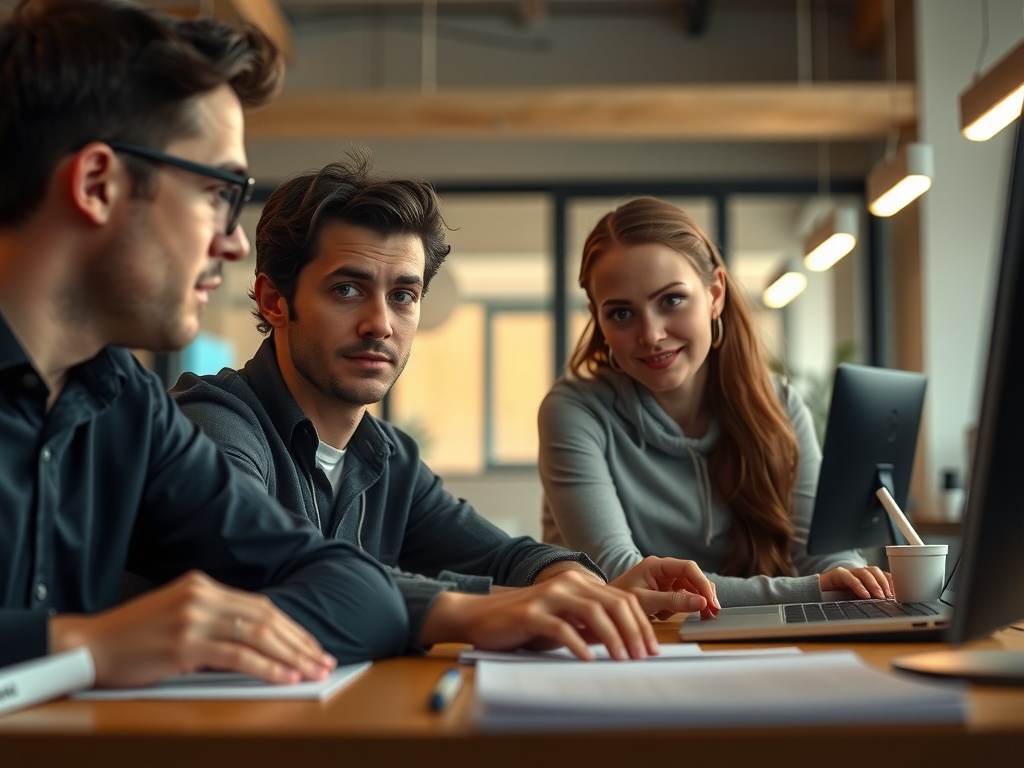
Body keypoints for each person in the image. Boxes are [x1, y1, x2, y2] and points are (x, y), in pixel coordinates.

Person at [0, 0, 413, 685]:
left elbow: (355, 591)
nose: (236, 240)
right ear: (98, 184)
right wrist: (85, 645)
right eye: (218, 191)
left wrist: (207, 630)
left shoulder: (124, 404)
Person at [170, 154, 721, 659]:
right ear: (274, 300)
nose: (380, 324)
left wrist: (576, 587)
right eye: (346, 290)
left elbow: (505, 557)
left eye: (403, 295)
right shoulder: (211, 424)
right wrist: (483, 608)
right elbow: (267, 575)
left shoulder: (388, 459)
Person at [538, 196, 895, 607]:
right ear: (598, 320)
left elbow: (821, 554)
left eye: (671, 300)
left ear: (715, 294)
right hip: (624, 647)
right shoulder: (573, 410)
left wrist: (851, 576)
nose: (651, 334)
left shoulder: (778, 404)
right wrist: (813, 590)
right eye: (621, 313)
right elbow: (624, 578)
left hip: (754, 646)